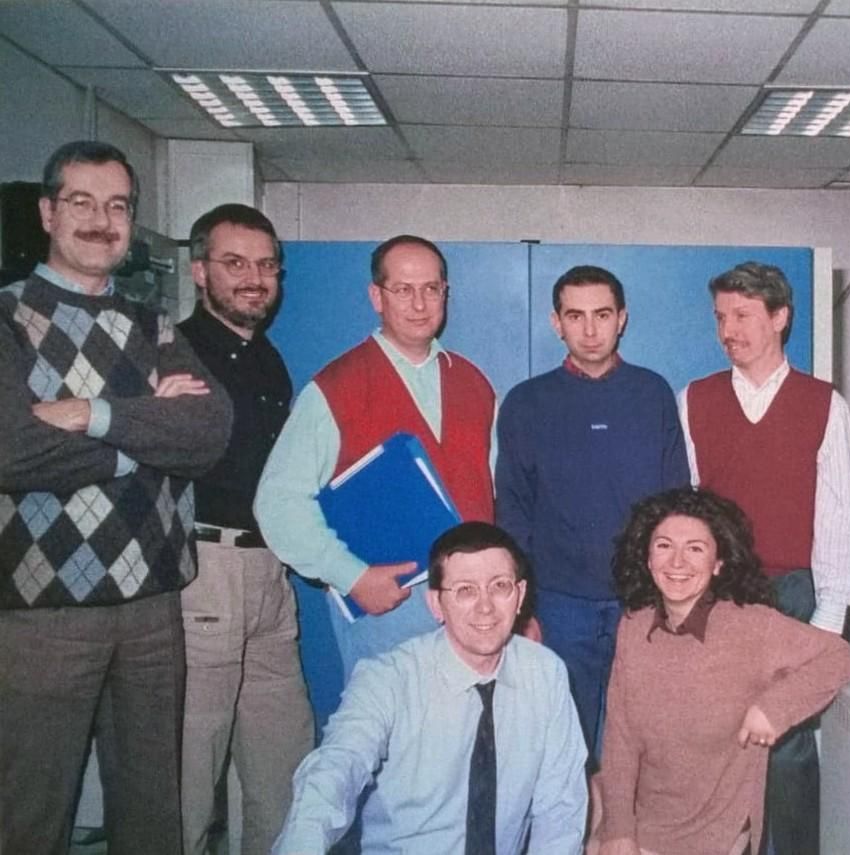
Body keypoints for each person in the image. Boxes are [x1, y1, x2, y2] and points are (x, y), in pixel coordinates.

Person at [0, 140, 232, 855]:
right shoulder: (8, 317)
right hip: (43, 610)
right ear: (48, 213)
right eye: (82, 202)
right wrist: (145, 426)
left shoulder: (151, 322)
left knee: (152, 816)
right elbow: (11, 449)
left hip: (153, 605)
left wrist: (88, 413)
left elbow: (207, 432)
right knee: (29, 814)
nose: (101, 221)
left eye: (118, 206)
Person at [678, 261, 850, 854]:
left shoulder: (822, 404)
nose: (727, 330)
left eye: (741, 315)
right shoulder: (696, 399)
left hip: (793, 595)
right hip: (719, 598)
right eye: (720, 317)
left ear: (780, 317)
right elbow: (686, 510)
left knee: (785, 747)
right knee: (718, 741)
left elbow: (840, 517)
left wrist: (828, 620)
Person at [256, 235, 497, 676]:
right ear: (376, 296)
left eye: (431, 288)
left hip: (473, 602)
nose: (419, 304)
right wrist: (351, 576)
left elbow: (493, 493)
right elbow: (278, 501)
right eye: (403, 289)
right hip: (390, 604)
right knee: (389, 718)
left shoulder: (474, 384)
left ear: (446, 293)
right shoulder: (336, 387)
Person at [272, 521, 588, 855]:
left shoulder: (545, 673)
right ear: (436, 604)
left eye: (500, 586)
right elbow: (335, 771)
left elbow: (560, 811)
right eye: (465, 590)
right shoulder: (389, 679)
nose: (485, 606)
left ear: (520, 595)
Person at [593, 488, 850, 855]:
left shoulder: (751, 626)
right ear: (647, 558)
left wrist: (775, 707)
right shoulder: (633, 627)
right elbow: (620, 739)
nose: (677, 562)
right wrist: (619, 828)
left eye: (695, 549)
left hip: (715, 832)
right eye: (664, 546)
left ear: (718, 563)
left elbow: (841, 657)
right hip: (644, 820)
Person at [496, 264, 688, 764]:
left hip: (641, 601)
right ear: (556, 322)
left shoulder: (652, 394)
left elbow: (677, 504)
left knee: (642, 746)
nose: (589, 329)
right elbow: (512, 510)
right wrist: (523, 608)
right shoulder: (526, 403)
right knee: (564, 747)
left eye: (602, 315)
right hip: (559, 605)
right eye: (575, 316)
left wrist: (672, 597)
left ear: (622, 319)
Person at [178, 204, 314, 855]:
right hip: (205, 571)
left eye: (266, 266)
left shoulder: (267, 360)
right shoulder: (171, 351)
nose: (254, 279)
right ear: (199, 270)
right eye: (235, 263)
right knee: (190, 766)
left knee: (286, 760)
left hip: (269, 574)